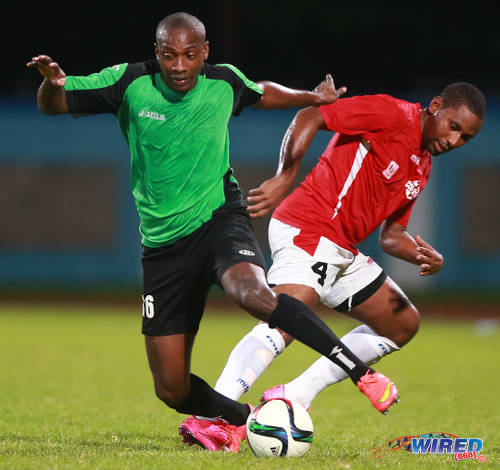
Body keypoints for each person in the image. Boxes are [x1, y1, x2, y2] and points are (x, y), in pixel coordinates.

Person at [27, 11, 399, 454]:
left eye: (189, 55)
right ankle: (245, 419)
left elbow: (264, 94)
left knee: (255, 295)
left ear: (205, 53)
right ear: (157, 53)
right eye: (169, 55)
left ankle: (361, 373)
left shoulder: (223, 81)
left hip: (220, 220)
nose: (179, 66)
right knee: (171, 388)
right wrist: (51, 84)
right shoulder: (127, 82)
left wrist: (311, 97)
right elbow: (56, 103)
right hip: (163, 247)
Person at [183, 82, 486, 448]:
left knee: (401, 323)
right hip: (308, 225)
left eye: (465, 138)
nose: (455, 141)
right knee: (285, 319)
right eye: (454, 127)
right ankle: (211, 419)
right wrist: (285, 175)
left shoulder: (421, 167)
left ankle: (294, 395)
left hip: (342, 249)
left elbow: (391, 234)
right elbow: (311, 114)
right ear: (436, 106)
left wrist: (422, 253)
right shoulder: (391, 114)